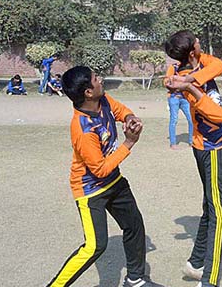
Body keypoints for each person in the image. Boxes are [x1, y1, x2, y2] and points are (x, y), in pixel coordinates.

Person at [46, 66, 164, 287]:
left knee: (134, 224)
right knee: (95, 246)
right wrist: (129, 142)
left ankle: (135, 279)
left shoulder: (104, 101)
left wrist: (129, 117)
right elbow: (99, 169)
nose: (100, 79)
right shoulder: (83, 129)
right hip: (90, 191)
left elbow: (120, 110)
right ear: (88, 92)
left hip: (114, 182)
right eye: (95, 78)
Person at [164, 30, 222, 287]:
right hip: (210, 148)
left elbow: (219, 64)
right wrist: (191, 85)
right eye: (197, 42)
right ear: (192, 50)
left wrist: (193, 78)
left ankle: (195, 264)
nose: (200, 43)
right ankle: (209, 280)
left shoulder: (197, 66)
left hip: (210, 146)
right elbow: (218, 116)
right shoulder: (182, 78)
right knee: (221, 212)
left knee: (211, 207)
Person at [164, 64, 194, 150]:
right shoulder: (173, 67)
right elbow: (166, 82)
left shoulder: (188, 67)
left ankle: (191, 141)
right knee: (174, 120)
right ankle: (173, 143)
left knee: (191, 119)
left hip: (185, 99)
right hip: (174, 98)